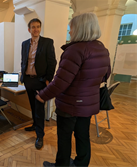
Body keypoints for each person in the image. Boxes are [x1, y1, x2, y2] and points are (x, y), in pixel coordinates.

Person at [36, 13, 111, 167]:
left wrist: (42, 96)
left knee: (64, 138)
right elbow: (105, 76)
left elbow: (60, 83)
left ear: (81, 28)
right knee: (83, 136)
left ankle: (61, 165)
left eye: (72, 28)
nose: (70, 32)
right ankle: (80, 164)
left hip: (70, 104)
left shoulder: (75, 50)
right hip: (89, 104)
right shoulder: (102, 49)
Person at [20, 18, 57, 149]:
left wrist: (48, 80)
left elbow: (52, 62)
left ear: (40, 28)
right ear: (29, 29)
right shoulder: (25, 44)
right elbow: (23, 61)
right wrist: (22, 76)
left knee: (39, 109)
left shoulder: (47, 42)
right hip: (28, 80)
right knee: (32, 105)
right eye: (33, 27)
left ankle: (40, 135)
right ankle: (35, 125)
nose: (35, 29)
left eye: (38, 26)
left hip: (40, 81)